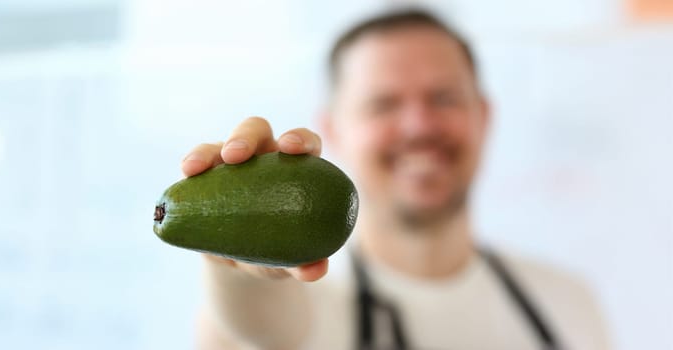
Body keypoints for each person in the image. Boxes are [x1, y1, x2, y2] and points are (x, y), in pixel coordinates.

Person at [181, 9, 611, 350]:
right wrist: (237, 264)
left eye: (443, 98)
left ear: (484, 115)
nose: (419, 126)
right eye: (383, 104)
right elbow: (249, 326)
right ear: (333, 130)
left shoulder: (570, 304)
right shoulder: (305, 302)